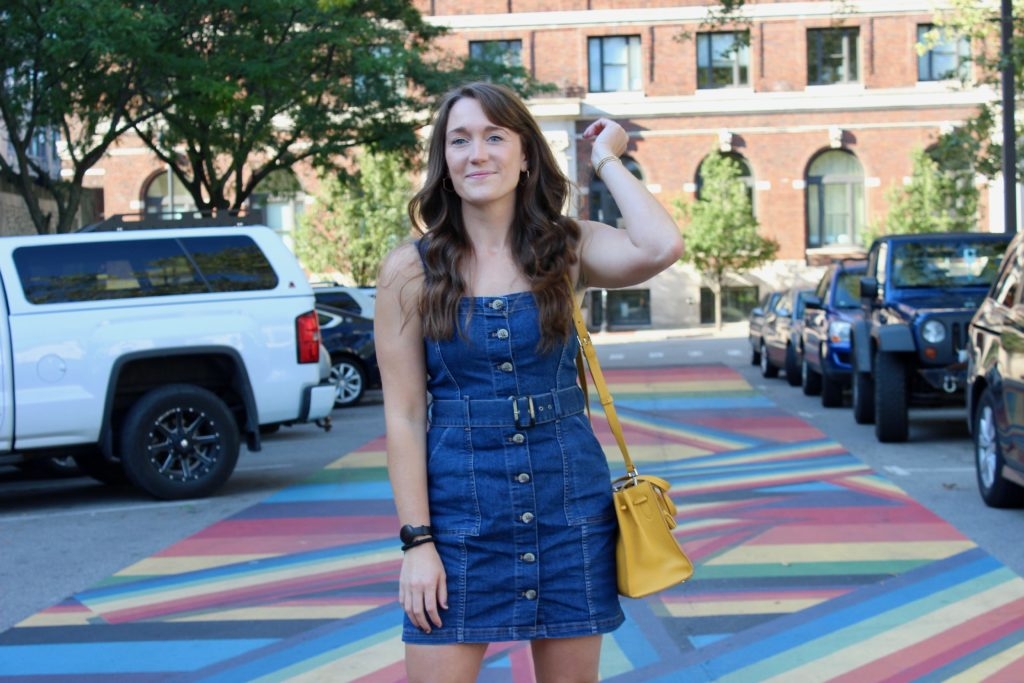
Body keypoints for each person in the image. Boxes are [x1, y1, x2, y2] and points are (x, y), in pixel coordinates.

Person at [374, 81, 683, 683]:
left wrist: (608, 158)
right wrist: (417, 544)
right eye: (459, 140)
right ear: (444, 161)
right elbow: (405, 418)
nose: (477, 154)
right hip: (460, 521)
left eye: (495, 136)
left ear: (526, 156)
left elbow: (661, 244)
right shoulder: (409, 270)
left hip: (569, 511)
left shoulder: (566, 249)